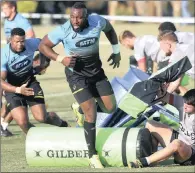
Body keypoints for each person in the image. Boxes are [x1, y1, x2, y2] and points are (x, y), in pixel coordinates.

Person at [38, 2, 120, 168]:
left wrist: (116, 51)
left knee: (110, 108)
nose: (75, 21)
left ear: (86, 17)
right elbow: (43, 45)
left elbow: (110, 29)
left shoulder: (97, 21)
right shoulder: (64, 29)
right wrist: (61, 59)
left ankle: (79, 109)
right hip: (76, 75)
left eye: (79, 18)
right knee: (91, 114)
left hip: (96, 73)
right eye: (72, 17)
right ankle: (92, 156)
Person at [1, 28, 69, 135]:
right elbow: (1, 81)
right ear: (10, 40)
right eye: (16, 42)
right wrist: (18, 90)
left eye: (22, 41)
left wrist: (44, 62)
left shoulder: (32, 43)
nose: (20, 44)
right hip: (13, 89)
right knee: (22, 122)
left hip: (30, 83)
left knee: (42, 117)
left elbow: (46, 45)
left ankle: (63, 125)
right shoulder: (3, 55)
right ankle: (40, 142)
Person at [129, 89, 195, 168]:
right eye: (184, 102)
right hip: (179, 138)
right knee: (150, 124)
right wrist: (159, 87)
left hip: (188, 153)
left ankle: (144, 161)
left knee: (177, 143)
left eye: (188, 105)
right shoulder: (182, 103)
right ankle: (153, 159)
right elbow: (164, 96)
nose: (184, 106)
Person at [1, 1, 36, 136]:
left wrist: (26, 55)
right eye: (2, 8)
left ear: (13, 8)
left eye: (5, 8)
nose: (3, 11)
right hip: (9, 61)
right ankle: (3, 123)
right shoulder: (7, 21)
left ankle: (3, 123)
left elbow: (31, 35)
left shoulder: (21, 20)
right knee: (9, 94)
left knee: (11, 93)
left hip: (21, 64)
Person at [157, 30, 194, 94]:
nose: (161, 48)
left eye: (161, 45)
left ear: (167, 44)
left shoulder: (176, 55)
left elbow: (175, 82)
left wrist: (163, 96)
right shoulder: (187, 46)